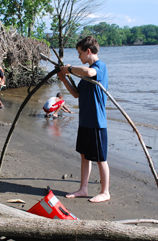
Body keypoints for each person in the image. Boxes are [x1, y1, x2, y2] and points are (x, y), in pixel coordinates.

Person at [57, 36, 110, 203]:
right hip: (85, 121)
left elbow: (88, 72)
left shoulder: (99, 67)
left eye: (80, 53)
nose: (79, 56)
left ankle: (105, 191)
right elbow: (76, 94)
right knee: (84, 156)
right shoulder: (85, 74)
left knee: (101, 158)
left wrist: (70, 69)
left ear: (88, 51)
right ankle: (83, 188)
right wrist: (64, 78)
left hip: (97, 122)